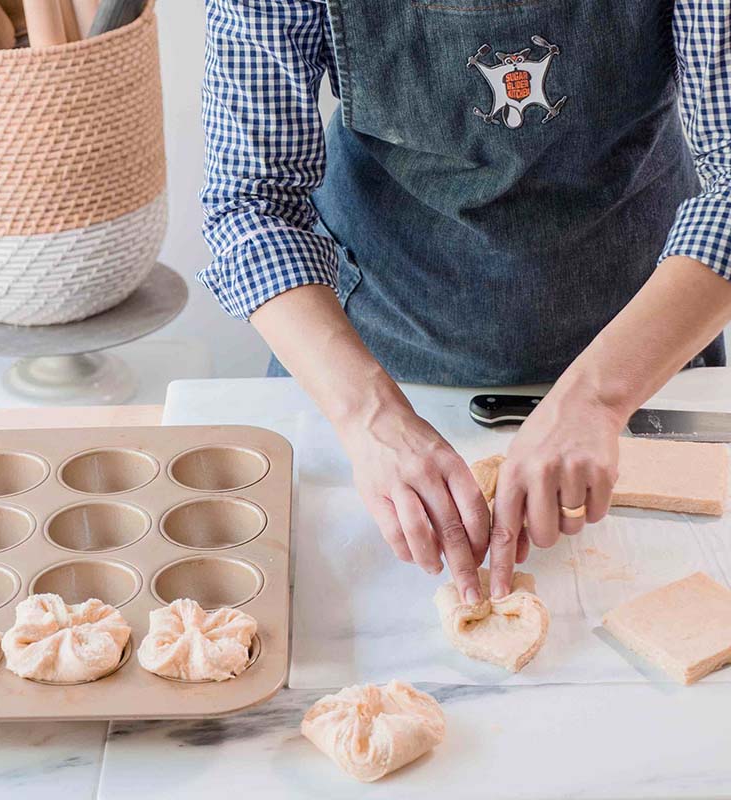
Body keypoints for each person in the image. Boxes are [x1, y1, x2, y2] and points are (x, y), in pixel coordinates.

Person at [198, 0, 731, 605]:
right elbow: (251, 204)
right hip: (372, 343)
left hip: (644, 337)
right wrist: (368, 418)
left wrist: (601, 397)